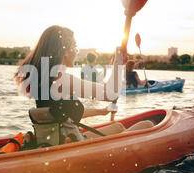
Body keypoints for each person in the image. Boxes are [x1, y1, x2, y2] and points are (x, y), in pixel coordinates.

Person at [14, 25, 154, 144]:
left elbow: (62, 114)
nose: (77, 52)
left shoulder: (40, 79)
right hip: (71, 144)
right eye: (74, 47)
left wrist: (102, 112)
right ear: (64, 51)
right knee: (147, 124)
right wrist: (118, 62)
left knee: (117, 126)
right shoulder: (63, 79)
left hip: (57, 141)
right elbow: (111, 93)